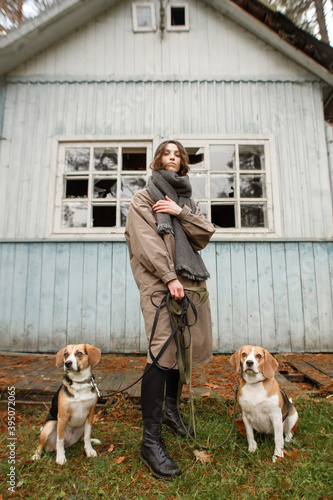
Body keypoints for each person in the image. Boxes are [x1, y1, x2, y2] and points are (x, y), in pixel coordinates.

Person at [125, 140, 215, 480]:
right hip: (160, 283)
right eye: (167, 153)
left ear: (184, 163)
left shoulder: (188, 200)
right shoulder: (143, 198)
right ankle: (150, 442)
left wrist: (180, 213)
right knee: (161, 351)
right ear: (158, 160)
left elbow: (204, 234)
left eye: (178, 154)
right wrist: (168, 276)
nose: (172, 158)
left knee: (182, 349)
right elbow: (145, 241)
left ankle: (171, 413)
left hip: (189, 281)